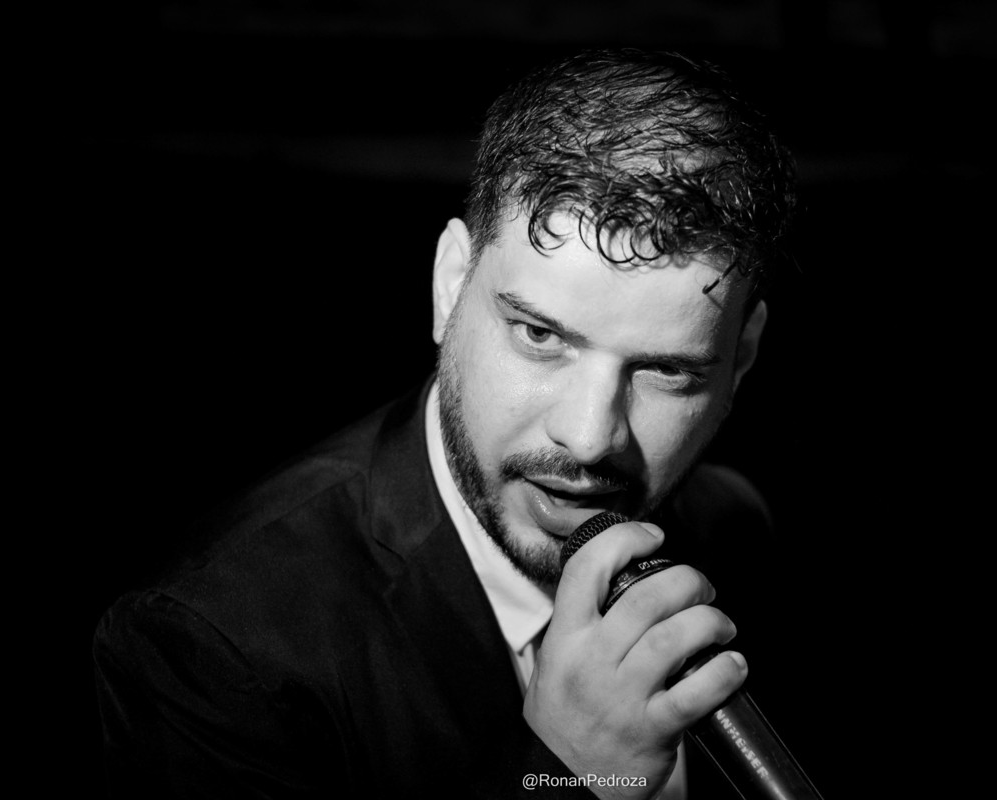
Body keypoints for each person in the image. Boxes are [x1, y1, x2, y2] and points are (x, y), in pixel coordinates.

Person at [93, 47, 797, 799]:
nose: (590, 438)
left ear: (740, 358)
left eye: (667, 372)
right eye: (540, 335)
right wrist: (566, 773)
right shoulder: (213, 645)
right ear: (451, 285)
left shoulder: (732, 529)